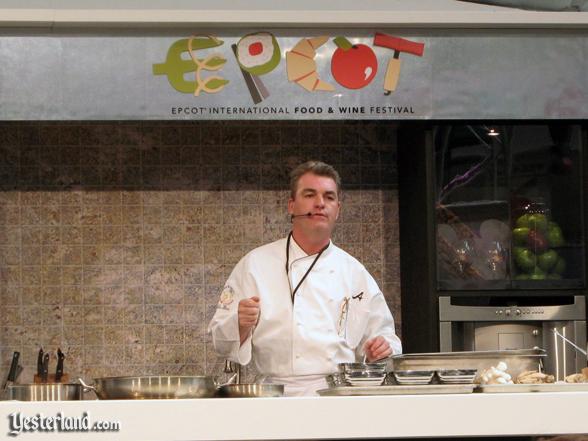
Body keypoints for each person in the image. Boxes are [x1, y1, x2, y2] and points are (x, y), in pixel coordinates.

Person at [208, 160, 401, 396]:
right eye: (310, 195)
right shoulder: (255, 264)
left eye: (329, 197)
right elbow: (219, 338)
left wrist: (381, 349)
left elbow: (387, 340)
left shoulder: (354, 272)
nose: (320, 203)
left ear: (338, 210)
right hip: (274, 396)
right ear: (291, 205)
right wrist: (239, 324)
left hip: (339, 395)